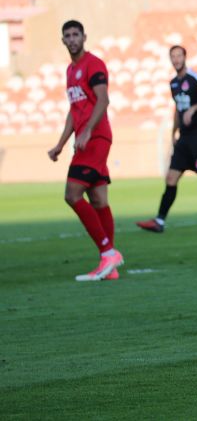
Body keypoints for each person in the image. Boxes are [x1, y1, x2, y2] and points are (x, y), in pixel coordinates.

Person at [47, 20, 123, 281]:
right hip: (86, 139)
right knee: (99, 200)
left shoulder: (94, 64)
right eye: (67, 35)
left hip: (96, 137)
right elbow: (74, 110)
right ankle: (109, 266)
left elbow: (103, 99)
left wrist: (88, 130)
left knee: (72, 194)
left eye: (75, 34)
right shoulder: (70, 71)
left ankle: (108, 253)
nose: (72, 39)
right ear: (63, 40)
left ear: (84, 37)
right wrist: (60, 144)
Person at [136, 45, 197, 233]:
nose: (176, 59)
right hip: (184, 139)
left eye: (179, 55)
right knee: (171, 178)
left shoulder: (195, 78)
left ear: (185, 57)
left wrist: (194, 108)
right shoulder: (173, 83)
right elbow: (178, 109)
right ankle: (159, 221)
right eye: (173, 56)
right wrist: (173, 133)